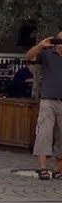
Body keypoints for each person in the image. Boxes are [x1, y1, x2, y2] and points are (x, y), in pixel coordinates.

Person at [25, 31, 62, 179]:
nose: (60, 42)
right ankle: (42, 168)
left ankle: (58, 170)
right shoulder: (47, 54)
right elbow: (29, 57)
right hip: (48, 100)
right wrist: (40, 45)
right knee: (44, 133)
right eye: (58, 39)